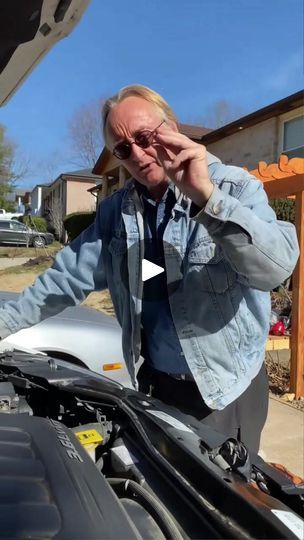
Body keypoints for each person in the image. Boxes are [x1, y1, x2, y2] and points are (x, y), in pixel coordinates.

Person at [0, 85, 299, 452]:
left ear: (171, 126)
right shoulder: (117, 214)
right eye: (124, 149)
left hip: (224, 390)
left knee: (218, 503)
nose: (139, 154)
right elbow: (61, 282)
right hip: (155, 383)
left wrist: (207, 198)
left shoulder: (233, 188)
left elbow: (275, 269)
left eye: (145, 137)